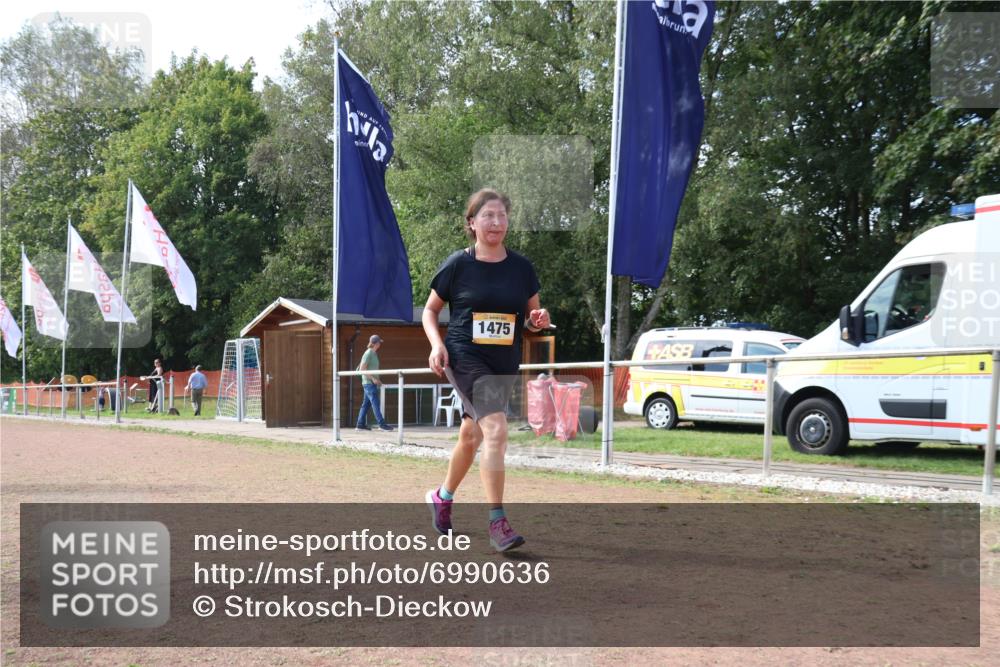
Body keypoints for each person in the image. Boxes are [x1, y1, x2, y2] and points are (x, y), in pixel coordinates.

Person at [422, 188, 550, 553]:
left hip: (503, 362)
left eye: (502, 216)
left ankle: (441, 497)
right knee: (495, 429)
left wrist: (539, 321)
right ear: (472, 223)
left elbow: (532, 319)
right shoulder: (458, 265)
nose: (496, 222)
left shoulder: (522, 268)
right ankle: (498, 522)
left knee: (471, 436)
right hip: (464, 356)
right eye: (488, 215)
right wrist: (436, 343)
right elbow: (430, 311)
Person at [355, 335, 393, 432]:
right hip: (369, 383)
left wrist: (377, 379)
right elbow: (362, 369)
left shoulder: (373, 353)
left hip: (370, 383)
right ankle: (381, 424)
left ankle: (360, 425)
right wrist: (373, 379)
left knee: (366, 405)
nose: (380, 344)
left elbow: (371, 369)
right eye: (379, 342)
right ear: (376, 343)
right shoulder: (368, 353)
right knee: (375, 403)